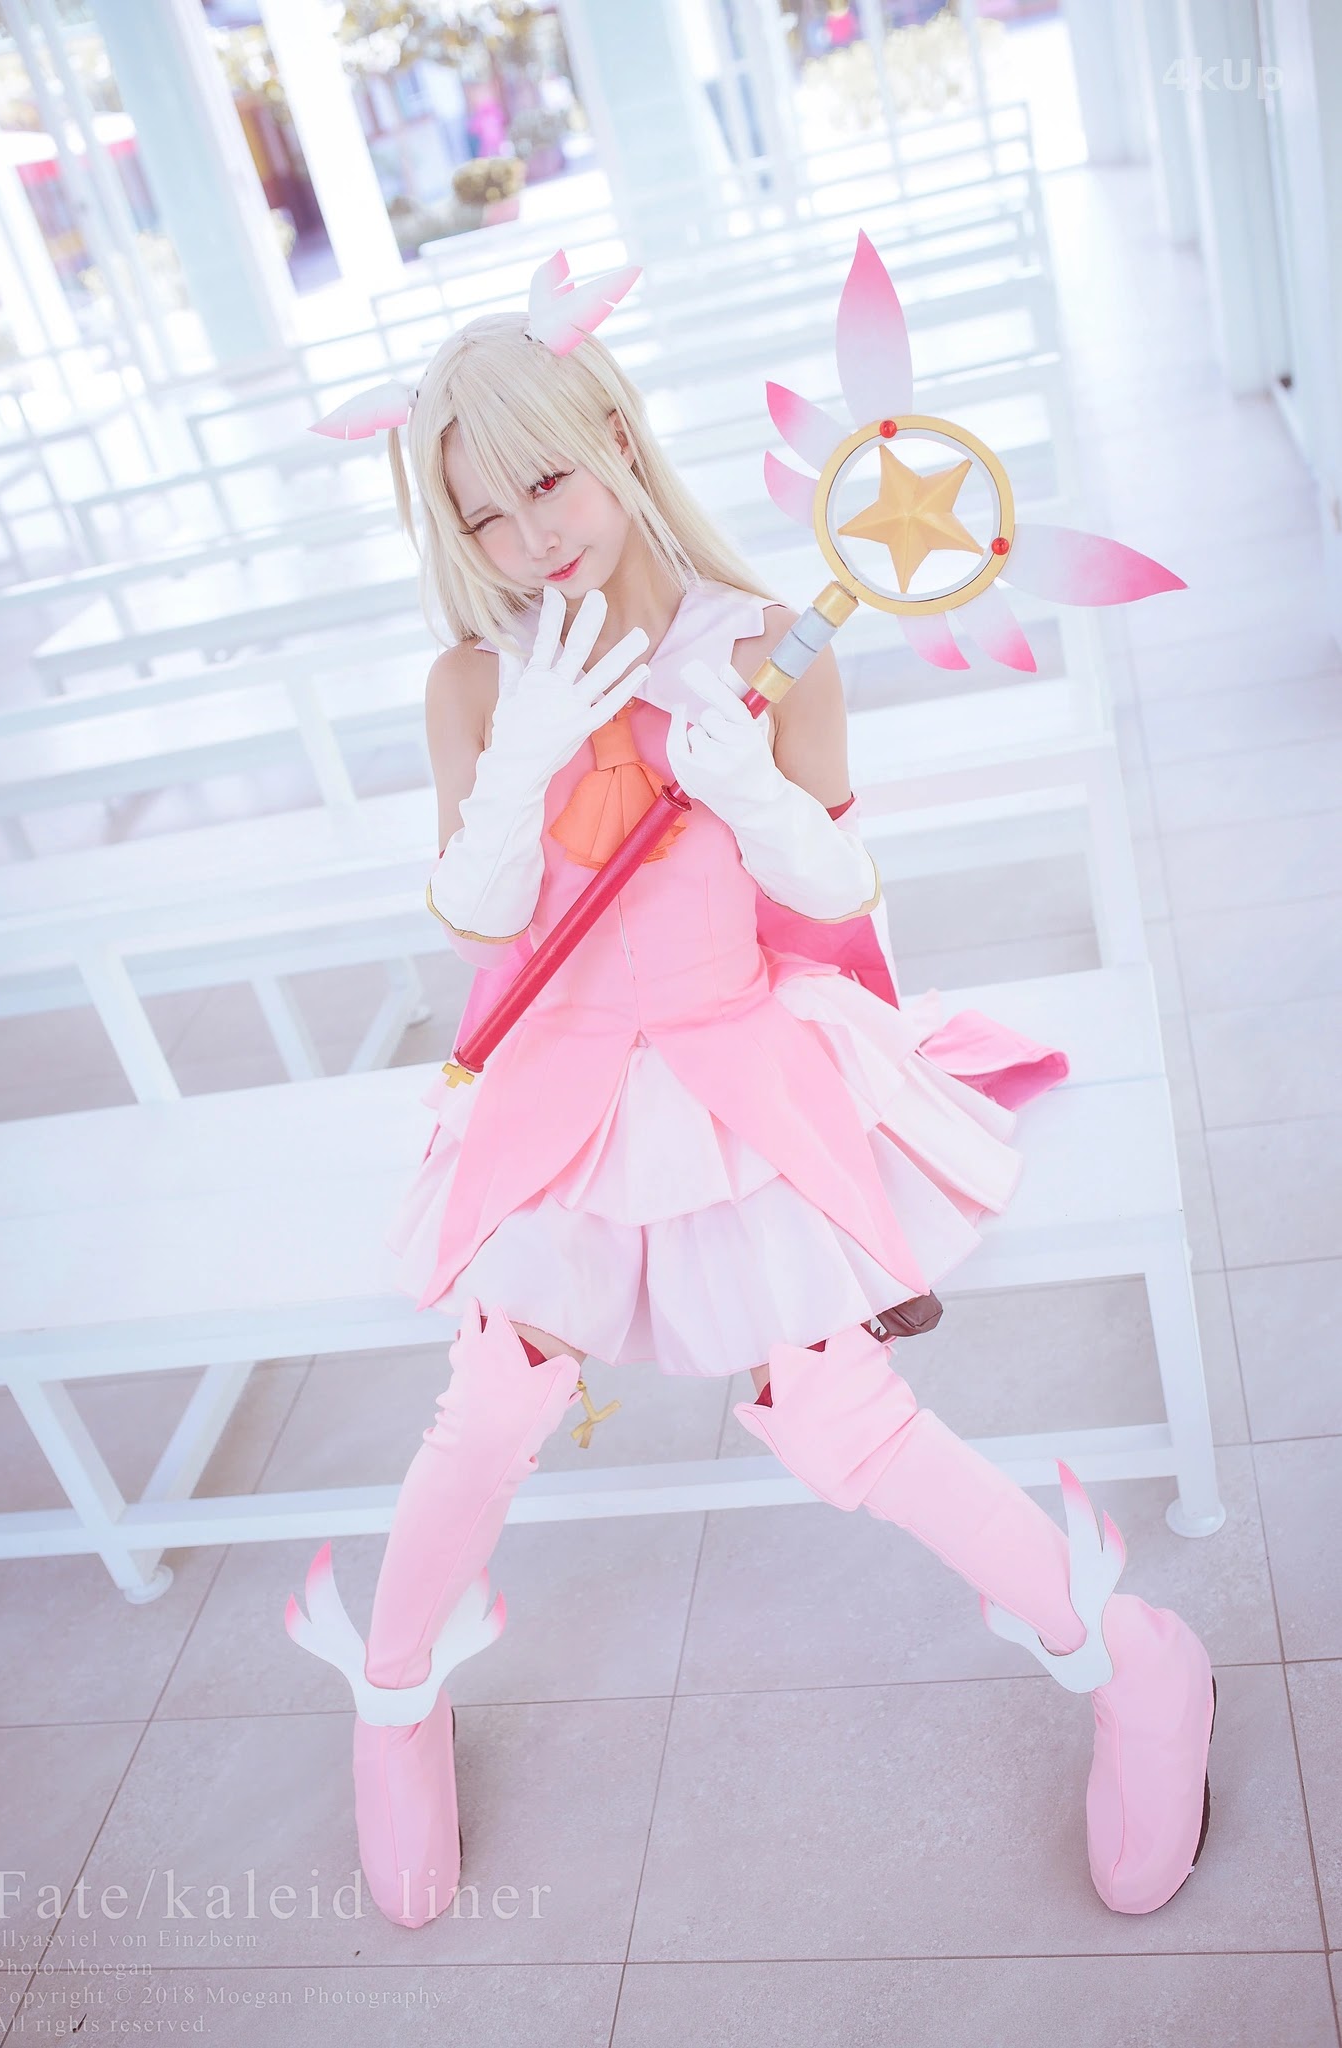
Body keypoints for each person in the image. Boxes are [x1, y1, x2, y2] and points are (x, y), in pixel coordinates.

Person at [284, 254, 1215, 1933]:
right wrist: (513, 769)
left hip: (738, 1051)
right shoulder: (474, 683)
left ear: (619, 438)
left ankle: (1128, 1655)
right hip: (567, 1076)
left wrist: (754, 791)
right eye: (483, 514)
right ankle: (392, 1694)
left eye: (547, 481)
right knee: (492, 1401)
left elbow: (841, 893)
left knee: (834, 1408)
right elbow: (481, 928)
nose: (527, 538)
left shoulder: (779, 647)